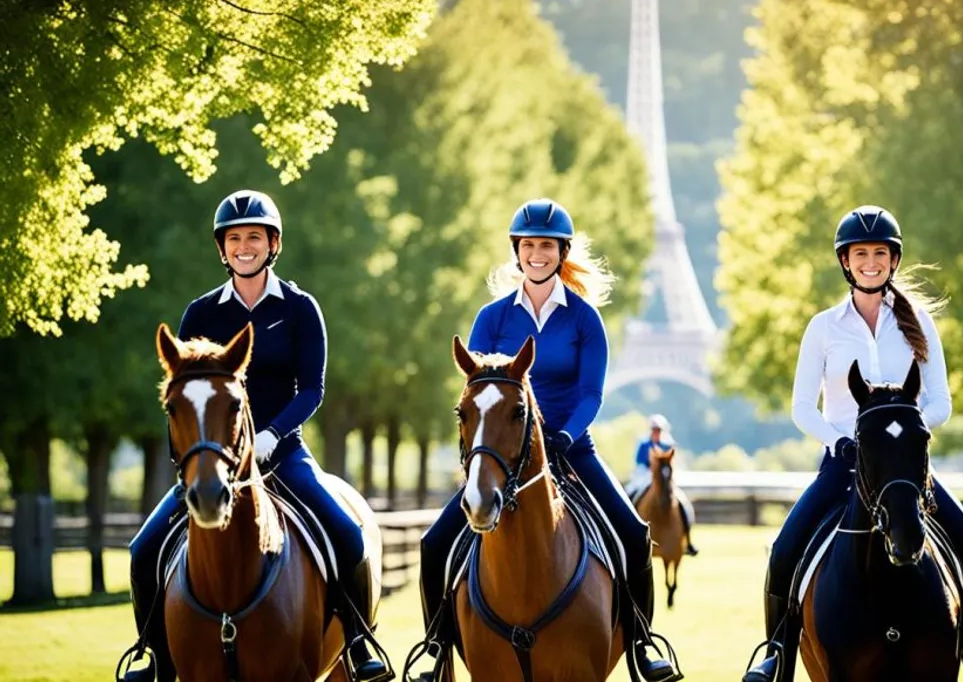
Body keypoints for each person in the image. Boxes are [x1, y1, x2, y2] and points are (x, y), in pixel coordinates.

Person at [121, 190, 392, 682]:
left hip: (281, 452)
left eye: (254, 237)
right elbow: (185, 390)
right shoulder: (201, 313)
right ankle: (155, 657)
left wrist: (271, 434)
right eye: (234, 238)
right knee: (143, 550)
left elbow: (313, 389)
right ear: (222, 250)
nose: (244, 246)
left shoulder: (300, 307)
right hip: (215, 458)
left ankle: (357, 645)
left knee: (349, 537)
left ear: (272, 244)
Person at [410, 198, 682, 682]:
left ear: (562, 252)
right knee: (435, 545)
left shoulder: (584, 318)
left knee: (635, 537)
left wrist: (563, 434)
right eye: (529, 245)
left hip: (569, 447)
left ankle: (642, 644)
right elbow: (477, 389)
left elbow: (591, 392)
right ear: (518, 252)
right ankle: (436, 649)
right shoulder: (492, 318)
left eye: (547, 246)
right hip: (501, 452)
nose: (537, 254)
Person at [742, 206, 963, 682]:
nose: (871, 261)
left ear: (893, 261)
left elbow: (941, 402)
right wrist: (842, 440)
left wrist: (907, 430)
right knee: (784, 548)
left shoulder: (919, 323)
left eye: (880, 253)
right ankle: (777, 654)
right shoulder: (823, 328)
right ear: (845, 262)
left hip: (906, 469)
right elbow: (803, 407)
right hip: (842, 466)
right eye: (861, 253)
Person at [625, 414, 699, 556]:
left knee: (683, 502)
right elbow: (639, 462)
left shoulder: (668, 445)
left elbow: (672, 464)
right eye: (654, 429)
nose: (656, 432)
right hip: (645, 475)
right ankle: (625, 534)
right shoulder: (644, 444)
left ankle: (688, 540)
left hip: (665, 479)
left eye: (658, 429)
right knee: (628, 495)